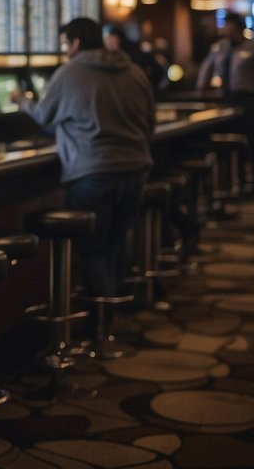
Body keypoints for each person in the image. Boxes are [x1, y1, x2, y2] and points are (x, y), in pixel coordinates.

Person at [12, 17, 155, 300]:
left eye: (64, 44)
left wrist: (20, 100)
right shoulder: (134, 70)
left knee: (93, 248)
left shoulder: (69, 72)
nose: (64, 50)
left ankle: (102, 323)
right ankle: (121, 312)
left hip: (93, 171)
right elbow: (150, 123)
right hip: (136, 168)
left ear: (75, 43)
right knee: (116, 241)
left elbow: (43, 115)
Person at [196, 12, 254, 193]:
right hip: (227, 98)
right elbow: (206, 67)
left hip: (250, 99)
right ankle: (236, 181)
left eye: (227, 25)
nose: (223, 28)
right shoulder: (220, 48)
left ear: (236, 26)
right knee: (233, 141)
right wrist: (201, 87)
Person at [103, 24, 165, 92]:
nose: (107, 42)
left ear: (117, 39)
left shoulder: (132, 54)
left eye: (110, 38)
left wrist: (148, 86)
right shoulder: (117, 54)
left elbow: (158, 71)